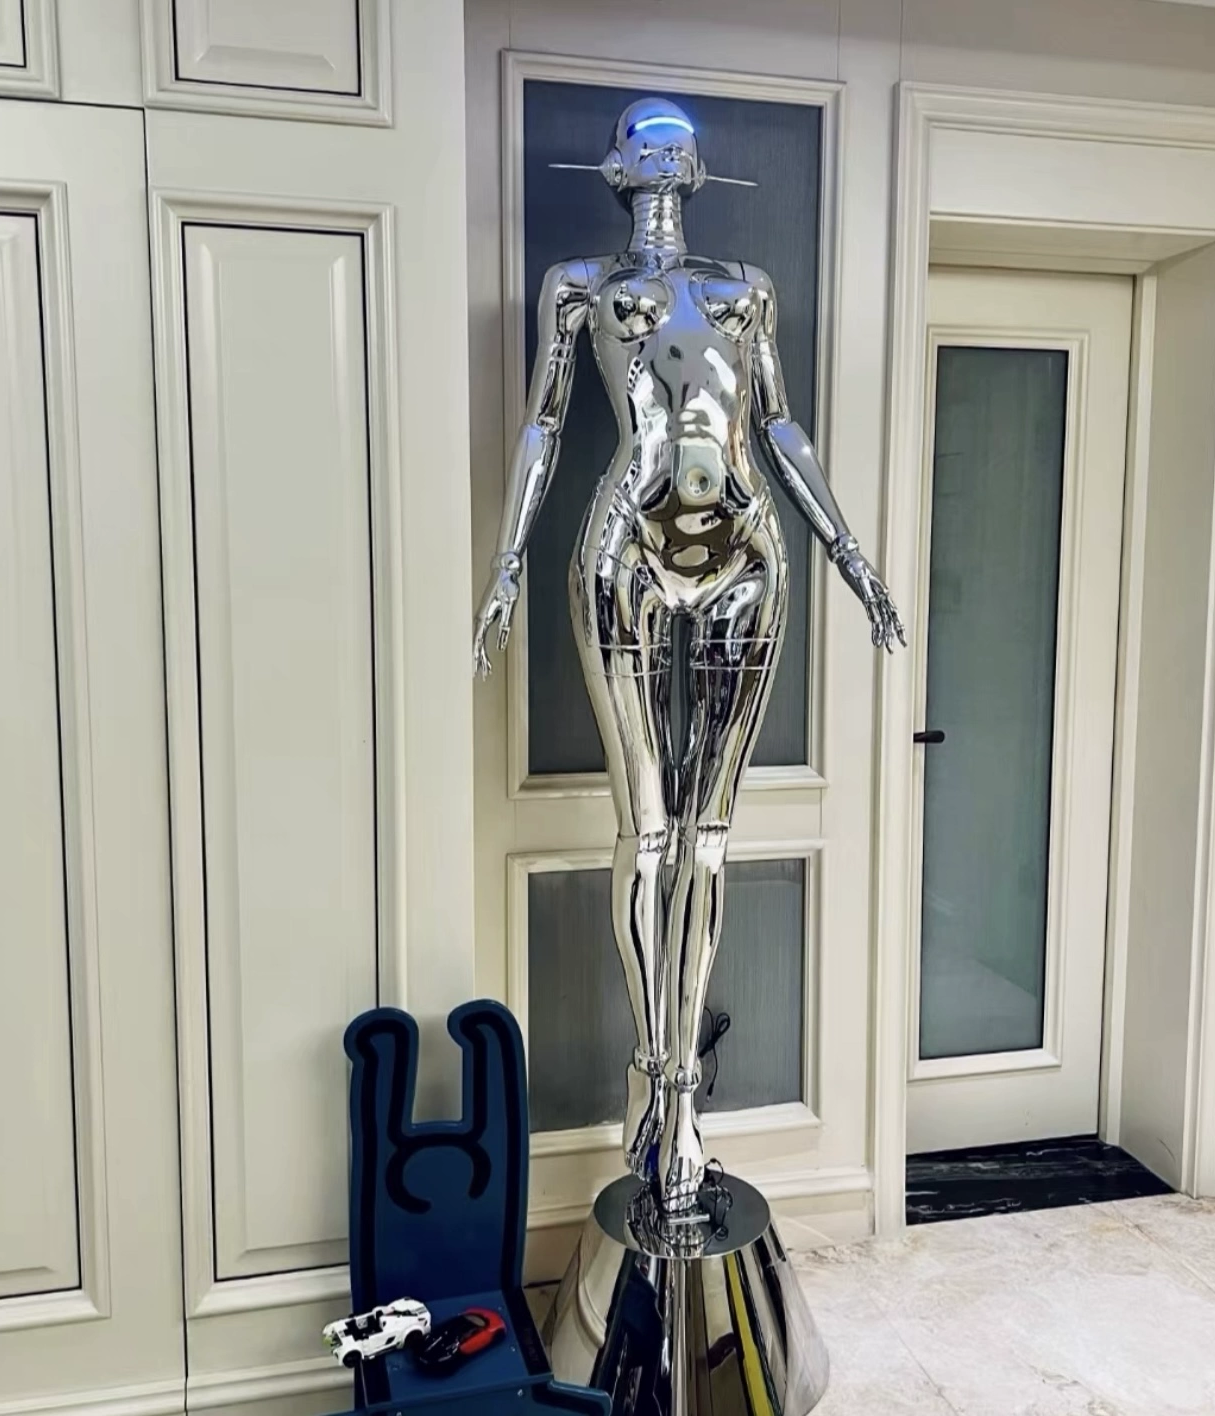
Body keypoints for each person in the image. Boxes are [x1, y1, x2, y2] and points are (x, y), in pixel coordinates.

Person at [473, 96, 904, 1217]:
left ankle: (682, 1103)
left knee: (710, 835)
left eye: (678, 142)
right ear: (617, 169)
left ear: (699, 171)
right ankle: (654, 1074)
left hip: (749, 549)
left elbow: (781, 426)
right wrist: (507, 562)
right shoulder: (578, 285)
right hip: (626, 546)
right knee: (648, 830)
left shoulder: (747, 287)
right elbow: (543, 425)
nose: (664, 154)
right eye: (643, 140)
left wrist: (850, 554)